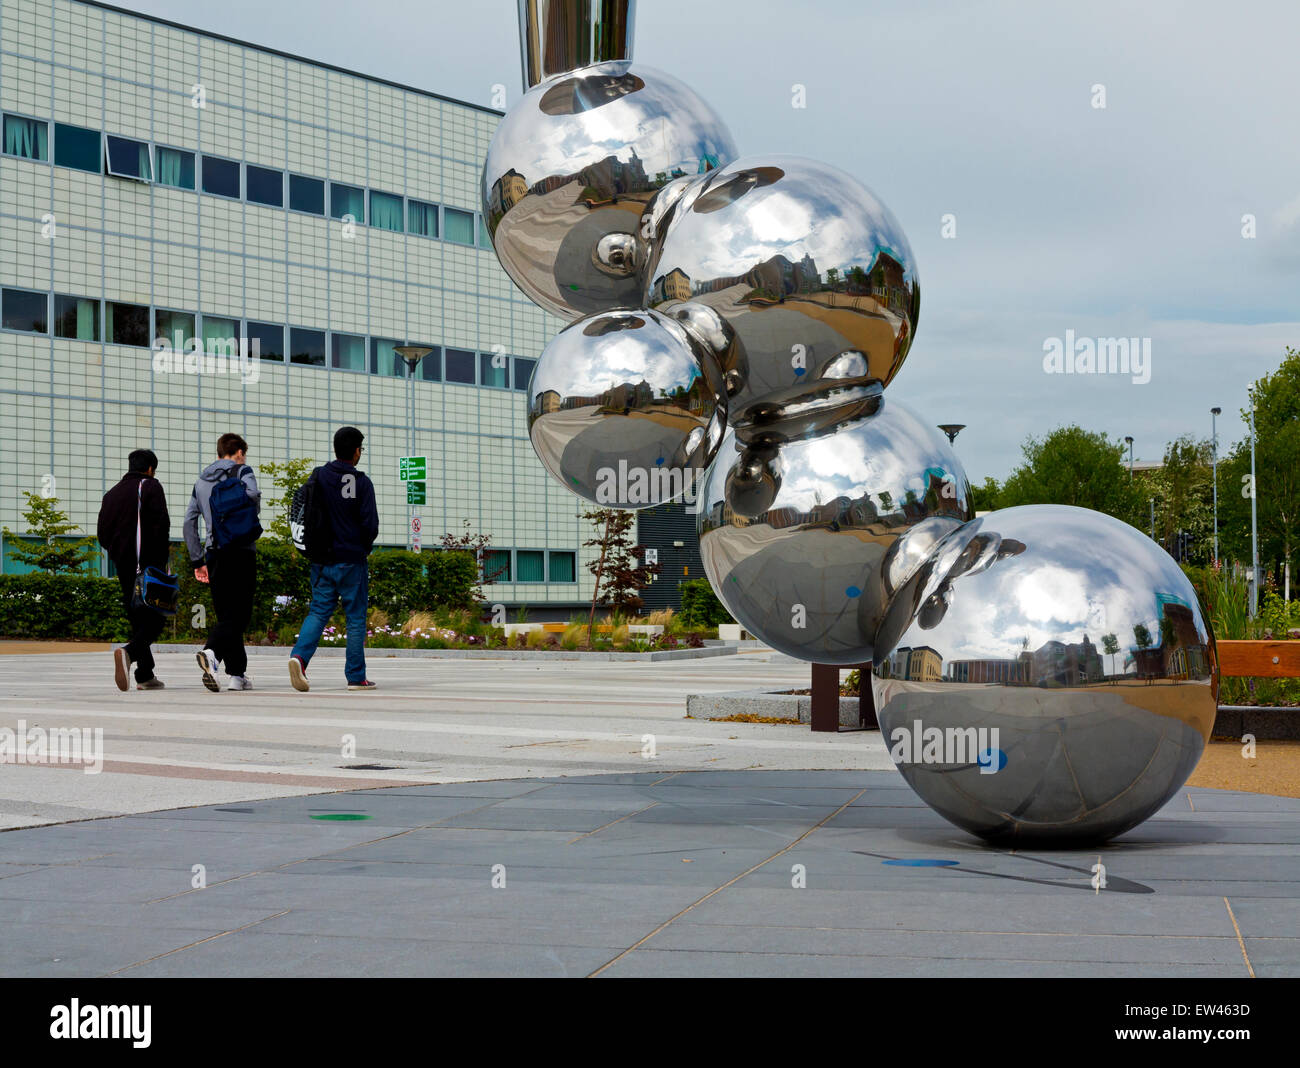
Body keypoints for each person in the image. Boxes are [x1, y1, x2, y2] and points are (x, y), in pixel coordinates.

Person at [289, 426, 379, 692]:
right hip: (352, 560)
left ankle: (299, 658)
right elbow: (370, 525)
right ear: (356, 451)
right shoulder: (362, 482)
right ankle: (355, 677)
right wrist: (362, 547)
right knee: (355, 618)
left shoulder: (318, 476)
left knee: (318, 612)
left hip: (322, 560)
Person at [183, 433, 262, 692]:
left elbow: (188, 523)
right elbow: (253, 495)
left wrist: (197, 560)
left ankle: (237, 675)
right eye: (244, 453)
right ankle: (212, 653)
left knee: (227, 614)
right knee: (240, 614)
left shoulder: (201, 482)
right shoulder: (242, 471)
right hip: (240, 550)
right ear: (238, 452)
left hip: (214, 553)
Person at [98, 449, 170, 691]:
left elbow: (103, 534)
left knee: (139, 619)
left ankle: (145, 674)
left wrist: (120, 555)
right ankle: (128, 653)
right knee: (157, 619)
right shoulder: (150, 486)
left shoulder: (111, 495)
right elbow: (162, 526)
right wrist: (161, 564)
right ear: (150, 468)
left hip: (124, 567)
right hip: (149, 566)